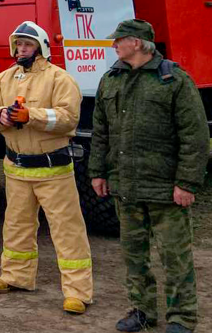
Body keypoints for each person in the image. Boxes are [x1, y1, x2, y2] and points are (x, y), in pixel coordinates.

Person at [89, 19, 209, 333]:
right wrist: (98, 173)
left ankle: (182, 316)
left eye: (120, 40)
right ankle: (142, 311)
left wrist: (187, 182)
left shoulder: (174, 80)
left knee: (174, 255)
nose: (114, 44)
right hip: (126, 187)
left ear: (139, 43)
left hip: (165, 188)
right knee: (134, 255)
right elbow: (100, 132)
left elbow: (194, 136)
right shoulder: (110, 81)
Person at [0, 21, 92, 314]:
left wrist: (32, 116)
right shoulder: (3, 79)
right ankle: (15, 277)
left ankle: (78, 292)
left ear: (40, 47)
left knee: (67, 231)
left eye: (27, 45)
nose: (21, 50)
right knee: (16, 227)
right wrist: (0, 115)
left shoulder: (60, 79)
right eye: (18, 45)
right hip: (16, 168)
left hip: (53, 170)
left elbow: (68, 119)